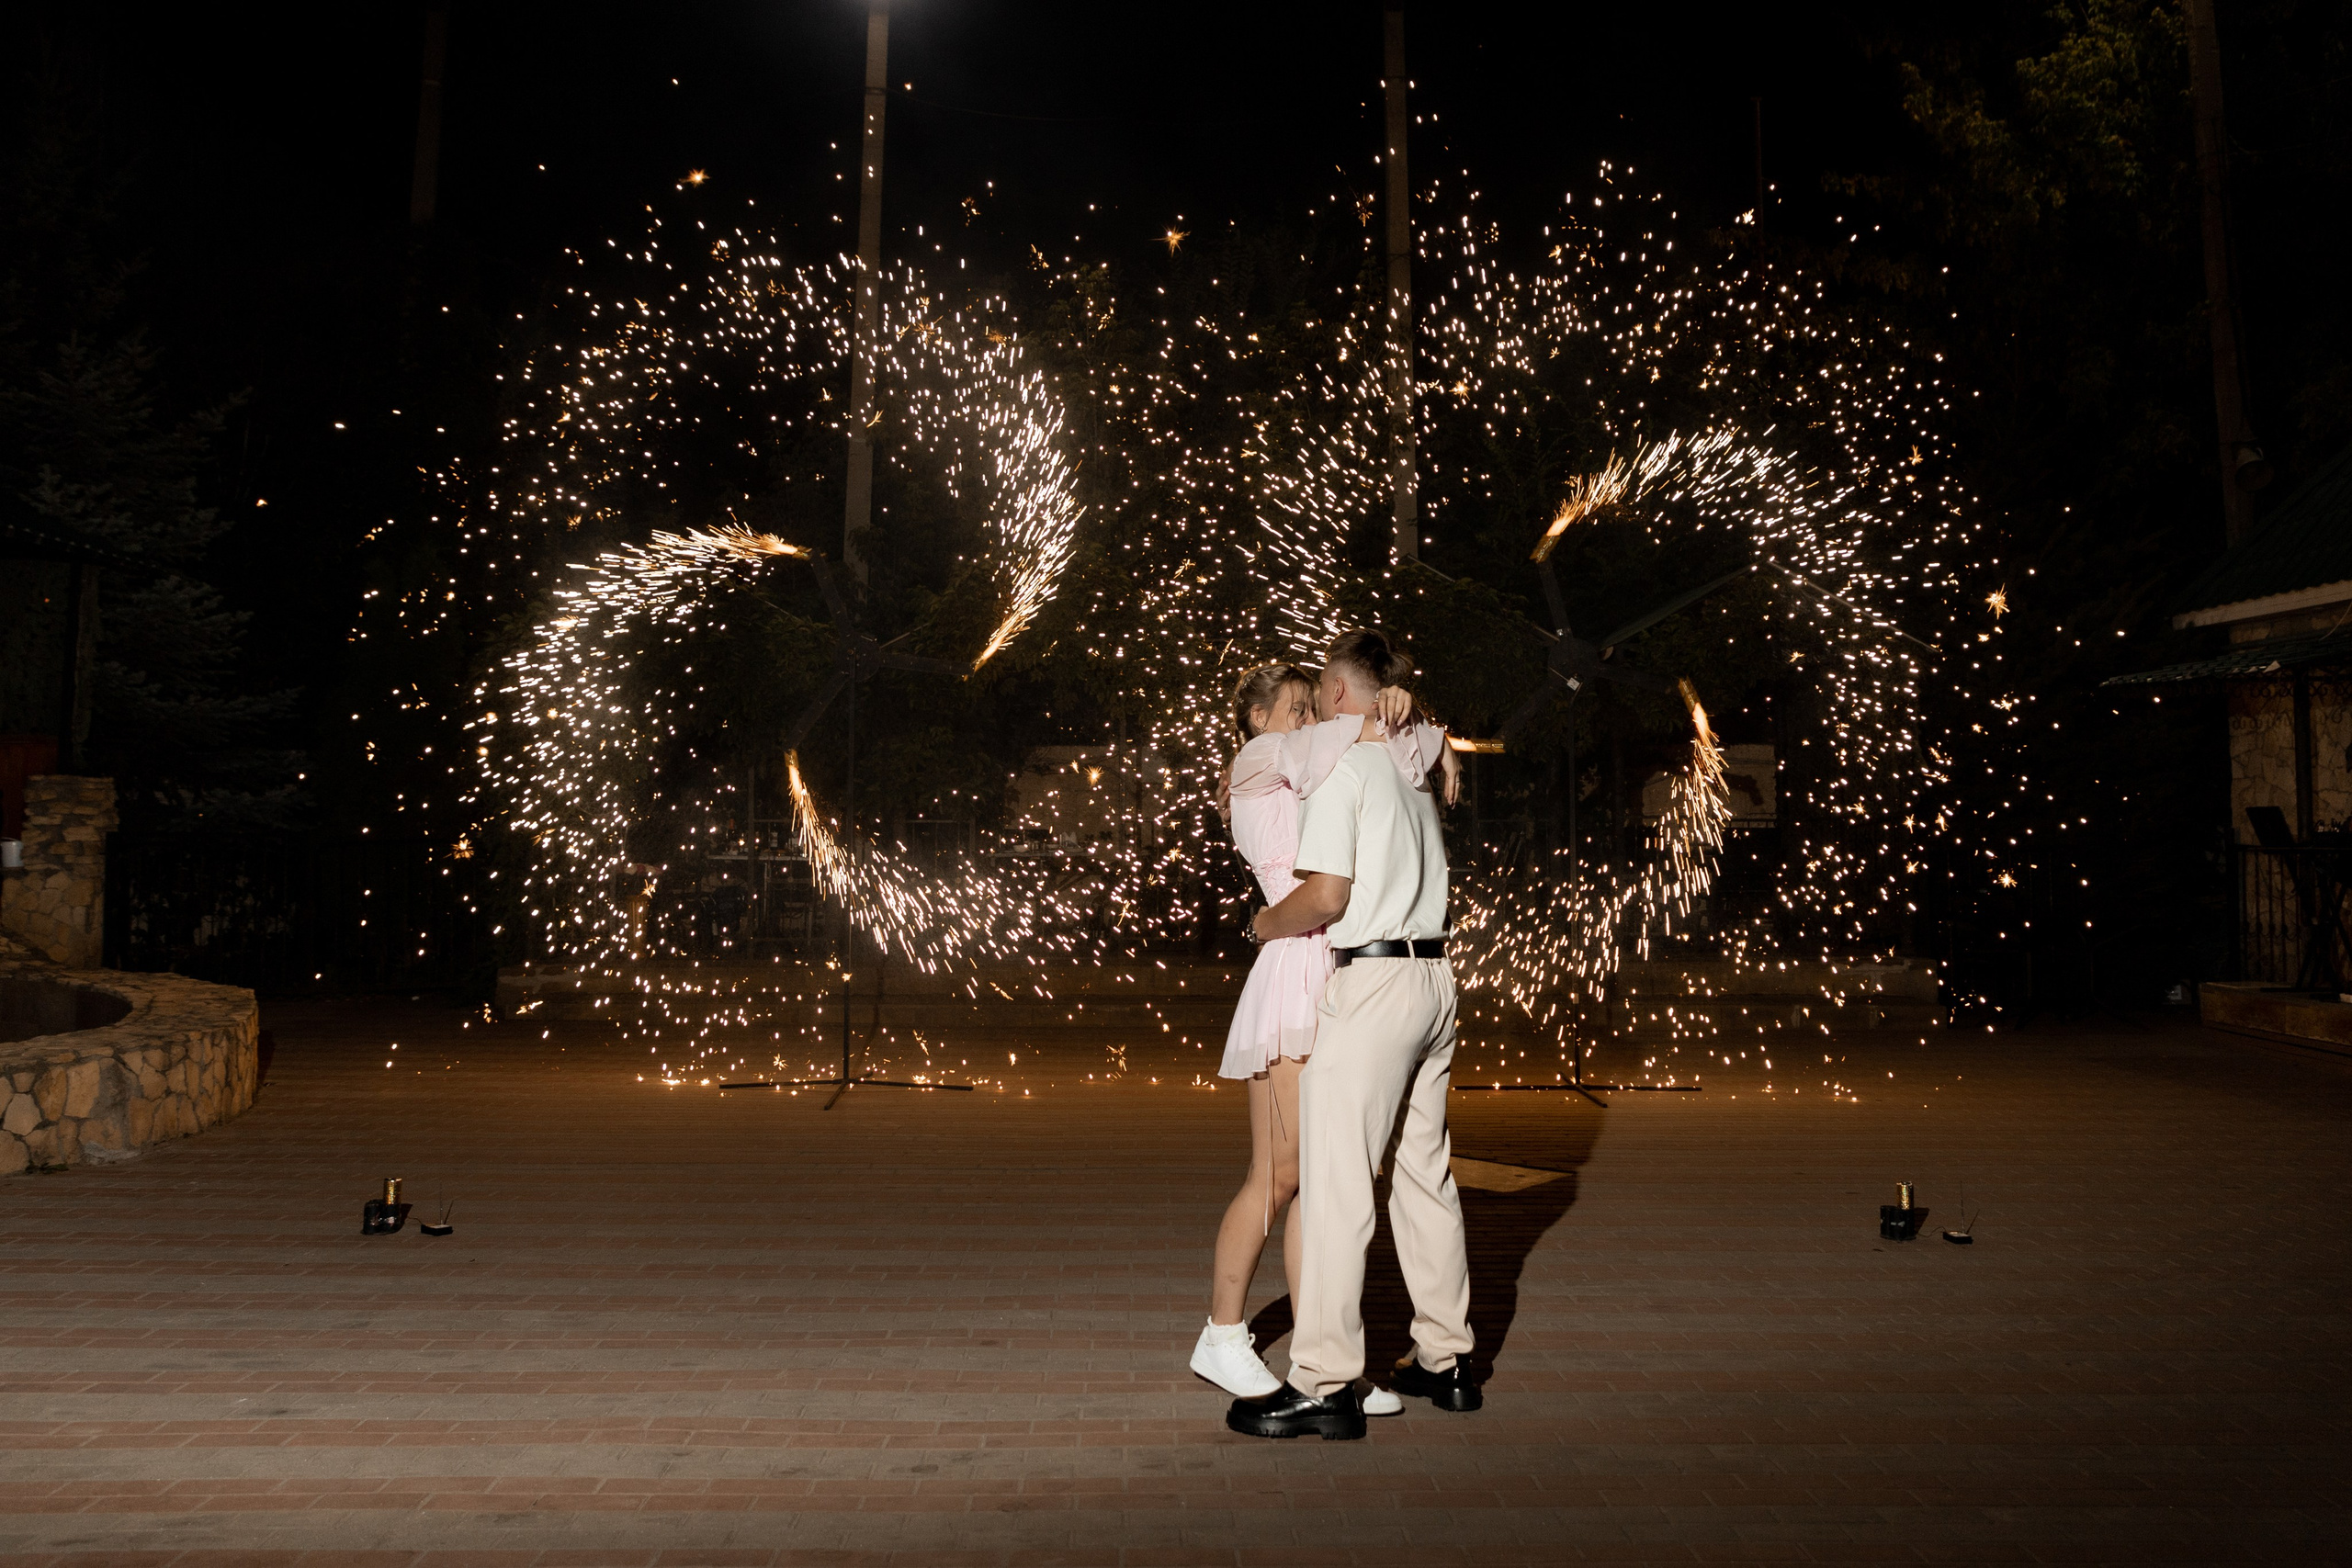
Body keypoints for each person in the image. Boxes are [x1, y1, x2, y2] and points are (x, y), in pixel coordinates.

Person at [1225, 628, 1477, 1442]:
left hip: (1370, 984)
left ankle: (1325, 1379)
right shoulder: (1414, 766)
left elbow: (1326, 895)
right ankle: (1447, 1358)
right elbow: (1431, 750)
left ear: (1337, 696)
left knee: (1333, 1189)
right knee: (1425, 1176)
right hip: (1436, 979)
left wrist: (1265, 921)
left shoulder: (1340, 768)